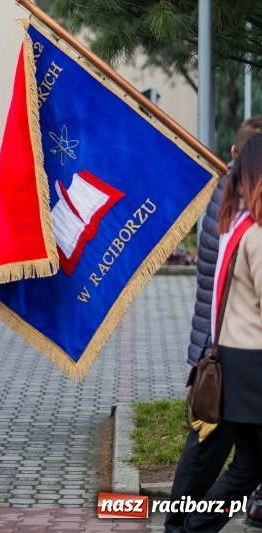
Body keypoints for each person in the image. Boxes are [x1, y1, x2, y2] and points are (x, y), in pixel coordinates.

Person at [164, 117, 262, 532]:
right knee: (219, 454)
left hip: (224, 348)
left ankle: (185, 527)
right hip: (238, 354)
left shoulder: (232, 214)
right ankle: (183, 527)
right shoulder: (251, 224)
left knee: (239, 459)